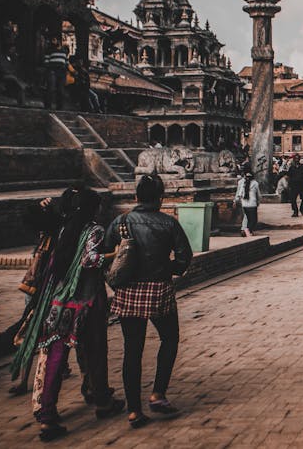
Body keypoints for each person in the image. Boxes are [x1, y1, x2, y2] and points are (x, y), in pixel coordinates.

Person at [10, 186, 123, 441]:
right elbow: (89, 260)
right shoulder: (94, 230)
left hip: (58, 304)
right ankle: (102, 401)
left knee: (55, 359)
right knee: (95, 354)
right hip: (86, 303)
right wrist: (117, 253)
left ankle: (48, 416)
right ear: (92, 209)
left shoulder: (60, 230)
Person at [102, 174, 191, 428]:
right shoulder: (168, 223)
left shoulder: (122, 222)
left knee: (133, 348)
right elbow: (185, 257)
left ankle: (133, 410)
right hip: (158, 289)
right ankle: (158, 394)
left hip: (129, 292)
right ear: (160, 198)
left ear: (136, 196)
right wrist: (168, 268)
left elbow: (108, 256)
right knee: (169, 338)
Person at [42, 37, 68, 111]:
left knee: (61, 90)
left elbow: (66, 62)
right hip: (52, 71)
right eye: (52, 40)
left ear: (58, 41)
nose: (52, 41)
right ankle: (48, 106)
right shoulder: (49, 51)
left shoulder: (64, 51)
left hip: (61, 72)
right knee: (51, 88)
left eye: (54, 40)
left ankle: (60, 107)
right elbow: (46, 62)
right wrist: (49, 70)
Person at [235, 167, 260, 237]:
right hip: (252, 204)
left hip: (244, 204)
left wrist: (236, 200)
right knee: (254, 220)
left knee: (248, 218)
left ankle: (248, 232)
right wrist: (258, 202)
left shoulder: (242, 183)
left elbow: (239, 193)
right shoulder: (255, 183)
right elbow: (258, 195)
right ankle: (246, 229)